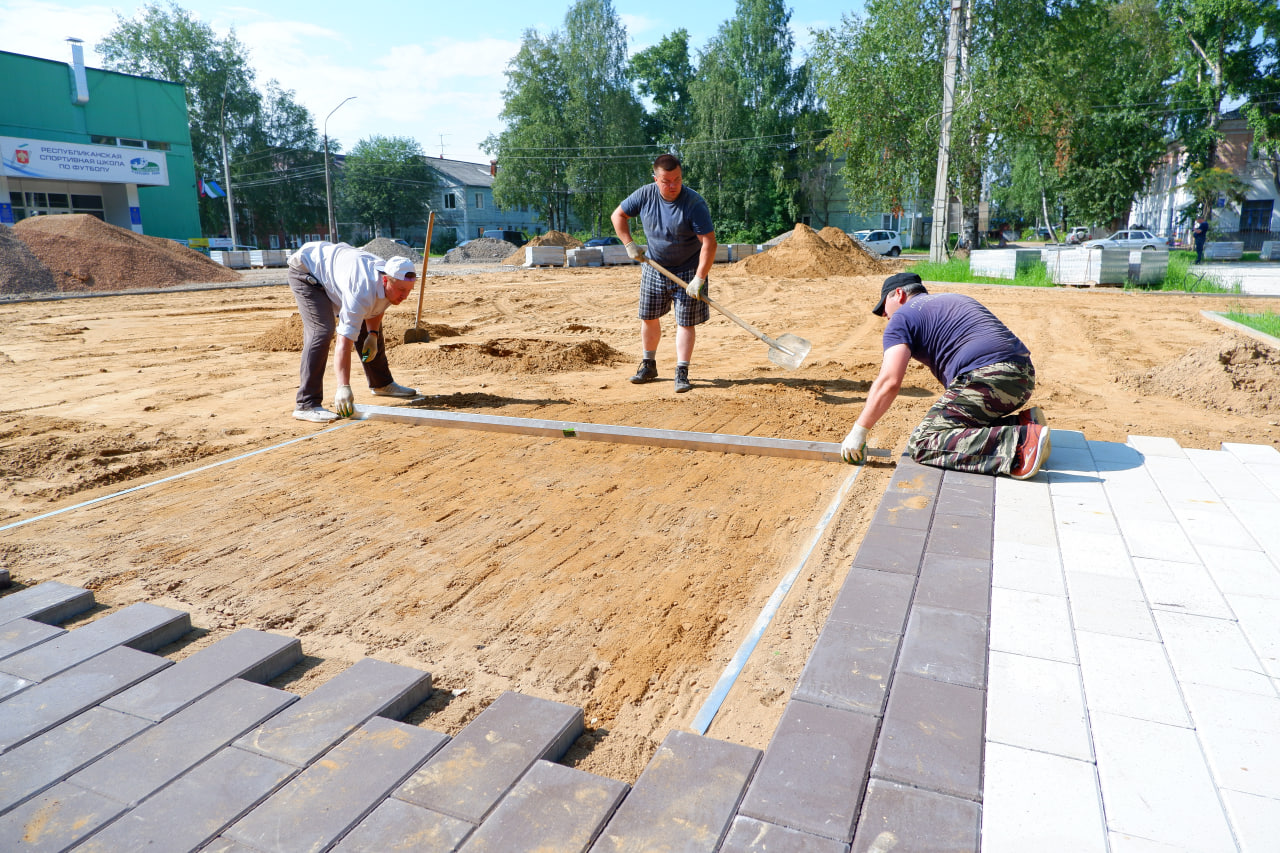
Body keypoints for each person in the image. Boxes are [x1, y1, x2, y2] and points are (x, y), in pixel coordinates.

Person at [840, 272, 1051, 480]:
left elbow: (889, 381)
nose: (885, 315)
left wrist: (859, 431)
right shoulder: (953, 298)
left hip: (988, 376)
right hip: (1022, 374)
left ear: (899, 294)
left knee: (924, 441)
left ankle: (1019, 443)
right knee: (955, 425)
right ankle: (1020, 423)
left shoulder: (901, 318)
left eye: (883, 307)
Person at [610, 153, 717, 393]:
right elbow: (618, 215)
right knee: (648, 316)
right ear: (656, 179)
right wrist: (629, 244)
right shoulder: (645, 194)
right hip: (655, 266)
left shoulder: (694, 203)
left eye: (677, 179)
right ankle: (648, 365)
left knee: (685, 322)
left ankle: (682, 371)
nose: (673, 186)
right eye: (667, 181)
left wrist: (699, 278)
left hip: (688, 269)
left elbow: (709, 242)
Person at [286, 241, 420, 422]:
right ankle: (306, 403)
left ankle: (382, 384)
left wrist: (372, 335)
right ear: (385, 279)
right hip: (307, 271)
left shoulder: (391, 282)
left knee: (368, 324)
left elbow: (376, 307)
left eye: (409, 291)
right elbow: (344, 341)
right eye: (402, 290)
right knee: (322, 331)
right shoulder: (361, 289)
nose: (405, 296)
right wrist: (344, 386)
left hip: (334, 271)